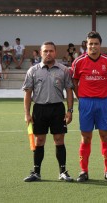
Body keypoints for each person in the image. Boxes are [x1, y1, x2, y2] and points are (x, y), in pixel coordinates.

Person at [22, 41, 74, 182]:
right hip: (39, 109)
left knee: (59, 139)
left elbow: (69, 91)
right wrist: (27, 113)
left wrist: (70, 110)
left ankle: (63, 171)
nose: (48, 53)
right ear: (41, 53)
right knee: (39, 140)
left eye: (51, 51)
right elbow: (28, 93)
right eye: (45, 51)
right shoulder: (33, 70)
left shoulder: (63, 70)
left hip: (57, 109)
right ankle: (36, 172)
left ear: (55, 52)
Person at [72, 31, 107, 182]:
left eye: (96, 43)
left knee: (105, 136)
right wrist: (81, 98)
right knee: (86, 137)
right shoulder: (78, 62)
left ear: (100, 45)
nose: (93, 46)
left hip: (103, 102)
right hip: (86, 103)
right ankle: (83, 171)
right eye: (90, 43)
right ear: (86, 45)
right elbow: (74, 82)